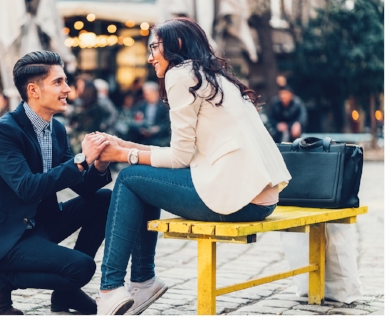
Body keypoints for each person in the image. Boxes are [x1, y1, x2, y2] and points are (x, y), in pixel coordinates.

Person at [91, 17, 292, 315]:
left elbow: (179, 159)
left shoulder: (180, 75)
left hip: (239, 200)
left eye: (154, 47)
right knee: (141, 179)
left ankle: (111, 287)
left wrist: (122, 157)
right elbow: (182, 152)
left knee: (130, 178)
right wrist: (125, 146)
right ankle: (143, 279)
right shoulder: (212, 76)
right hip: (260, 198)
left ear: (177, 45)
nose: (149, 56)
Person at [0, 51, 113, 315]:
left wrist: (99, 164)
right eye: (58, 82)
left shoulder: (57, 129)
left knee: (105, 200)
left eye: (65, 81)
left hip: (42, 223)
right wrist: (79, 160)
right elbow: (27, 187)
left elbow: (83, 187)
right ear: (34, 90)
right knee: (82, 268)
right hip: (8, 236)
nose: (67, 88)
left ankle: (65, 295)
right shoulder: (3, 131)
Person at [67, 79, 111, 154]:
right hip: (94, 138)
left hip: (84, 140)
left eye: (81, 87)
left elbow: (78, 124)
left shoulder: (84, 108)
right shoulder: (97, 106)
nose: (79, 89)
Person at [129, 81, 171, 147]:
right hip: (144, 137)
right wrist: (141, 129)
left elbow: (168, 123)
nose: (146, 96)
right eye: (145, 94)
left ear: (156, 93)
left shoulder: (164, 106)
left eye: (148, 94)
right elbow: (134, 118)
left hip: (160, 138)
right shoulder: (141, 105)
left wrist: (157, 129)